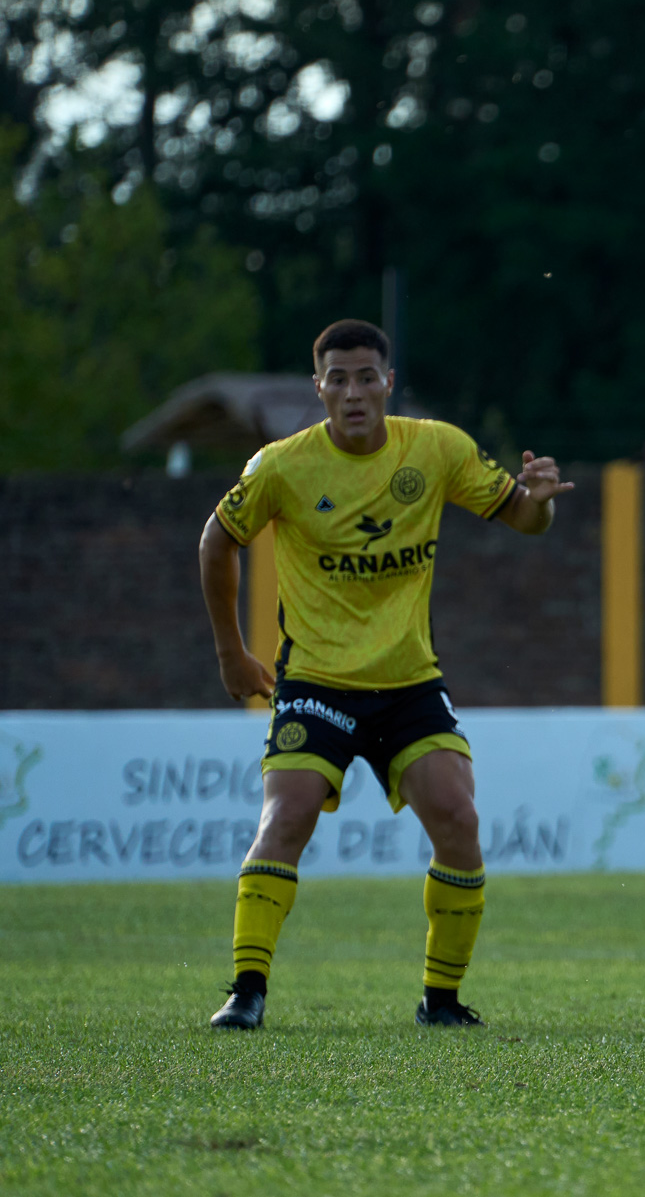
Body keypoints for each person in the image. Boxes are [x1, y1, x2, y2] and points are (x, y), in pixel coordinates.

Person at [198, 319, 572, 1030]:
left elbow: (522, 518)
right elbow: (216, 540)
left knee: (459, 817)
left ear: (388, 382)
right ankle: (245, 991)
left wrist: (541, 500)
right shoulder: (280, 465)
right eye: (337, 378)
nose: (354, 391)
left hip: (407, 680)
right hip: (315, 679)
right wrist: (231, 652)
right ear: (319, 389)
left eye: (366, 375)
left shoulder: (435, 448)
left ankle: (440, 1000)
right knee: (288, 814)